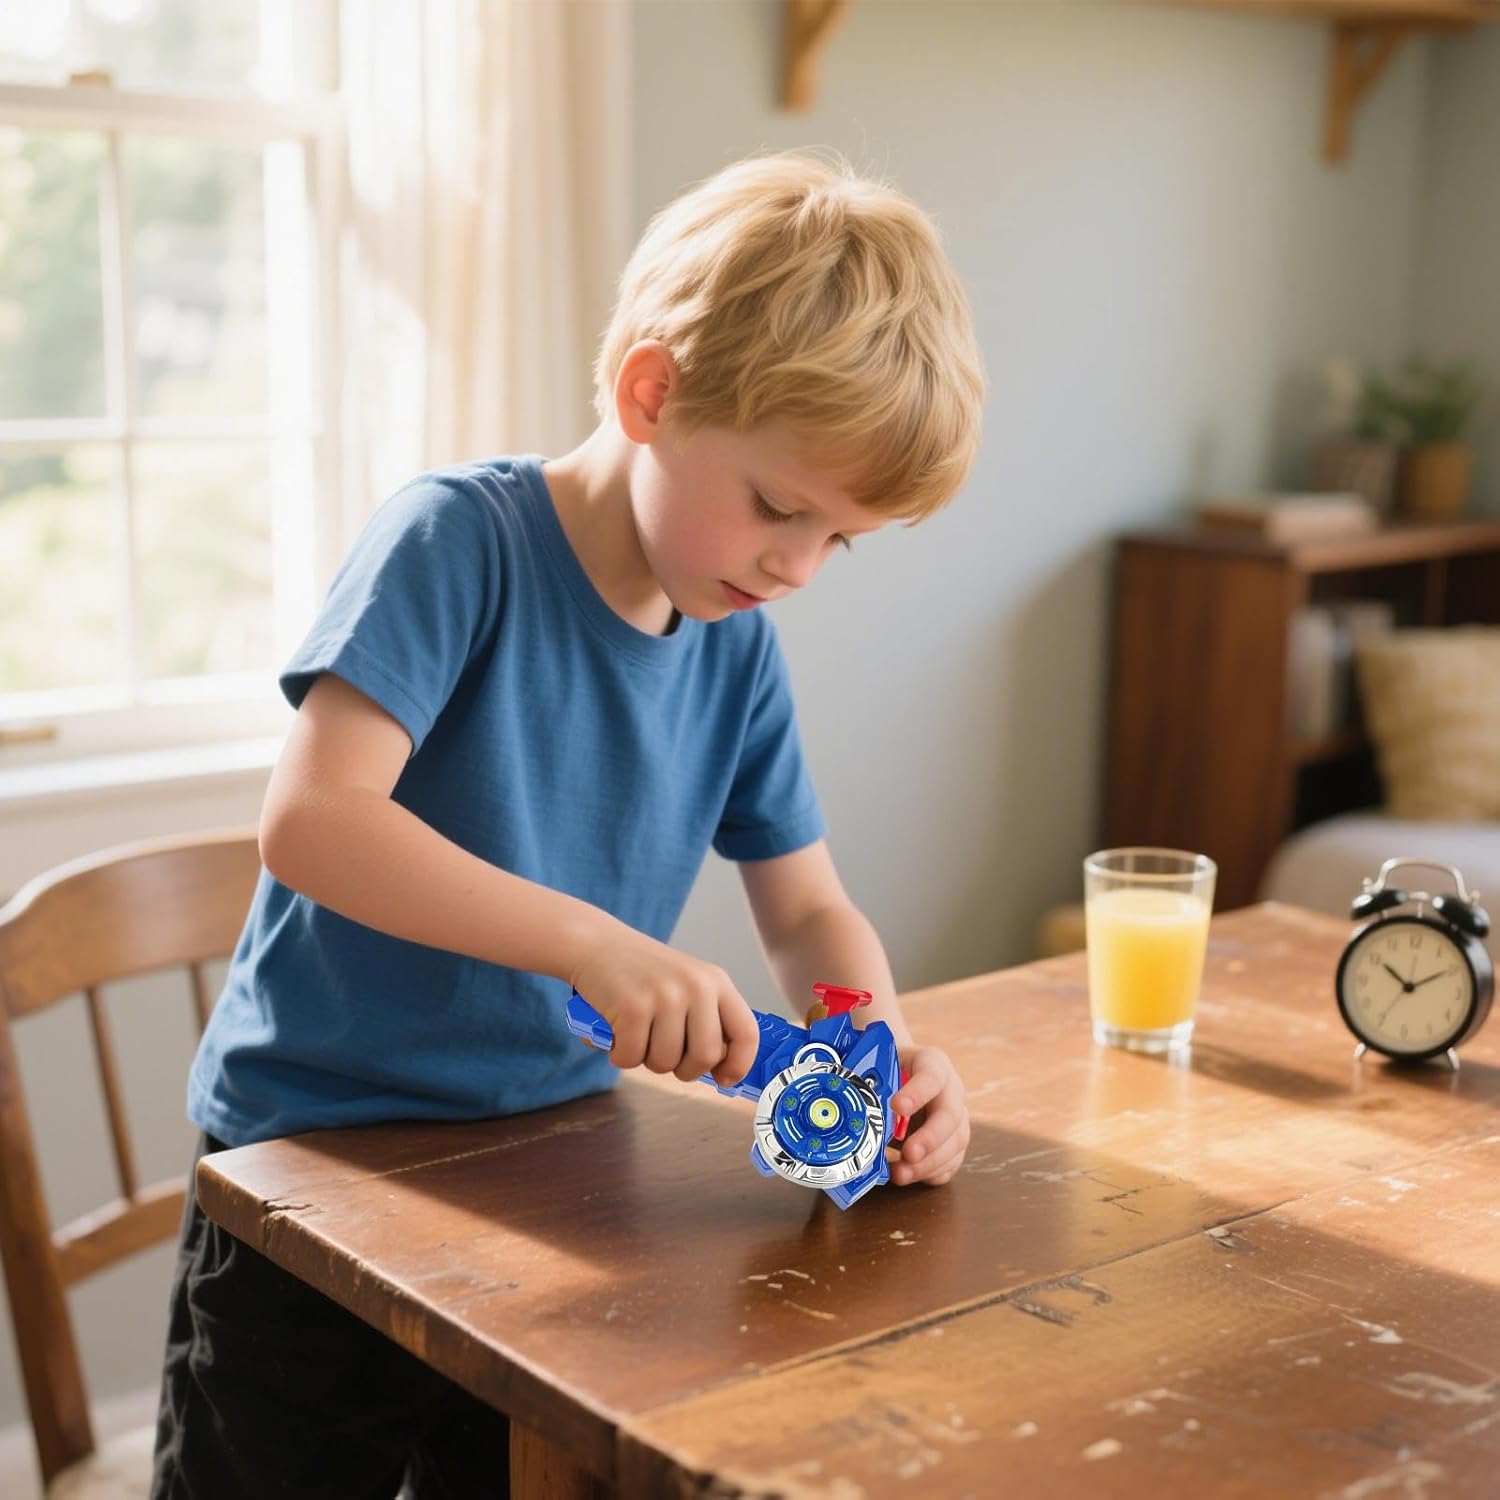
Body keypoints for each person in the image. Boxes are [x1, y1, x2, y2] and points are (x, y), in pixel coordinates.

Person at [151, 147, 985, 1499]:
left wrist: (875, 1054)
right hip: (314, 1176)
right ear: (651, 394)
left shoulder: (735, 641)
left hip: (549, 1173)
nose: (797, 566)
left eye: (840, 539)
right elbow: (313, 819)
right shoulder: (457, 543)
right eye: (781, 508)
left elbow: (808, 908)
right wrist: (591, 943)